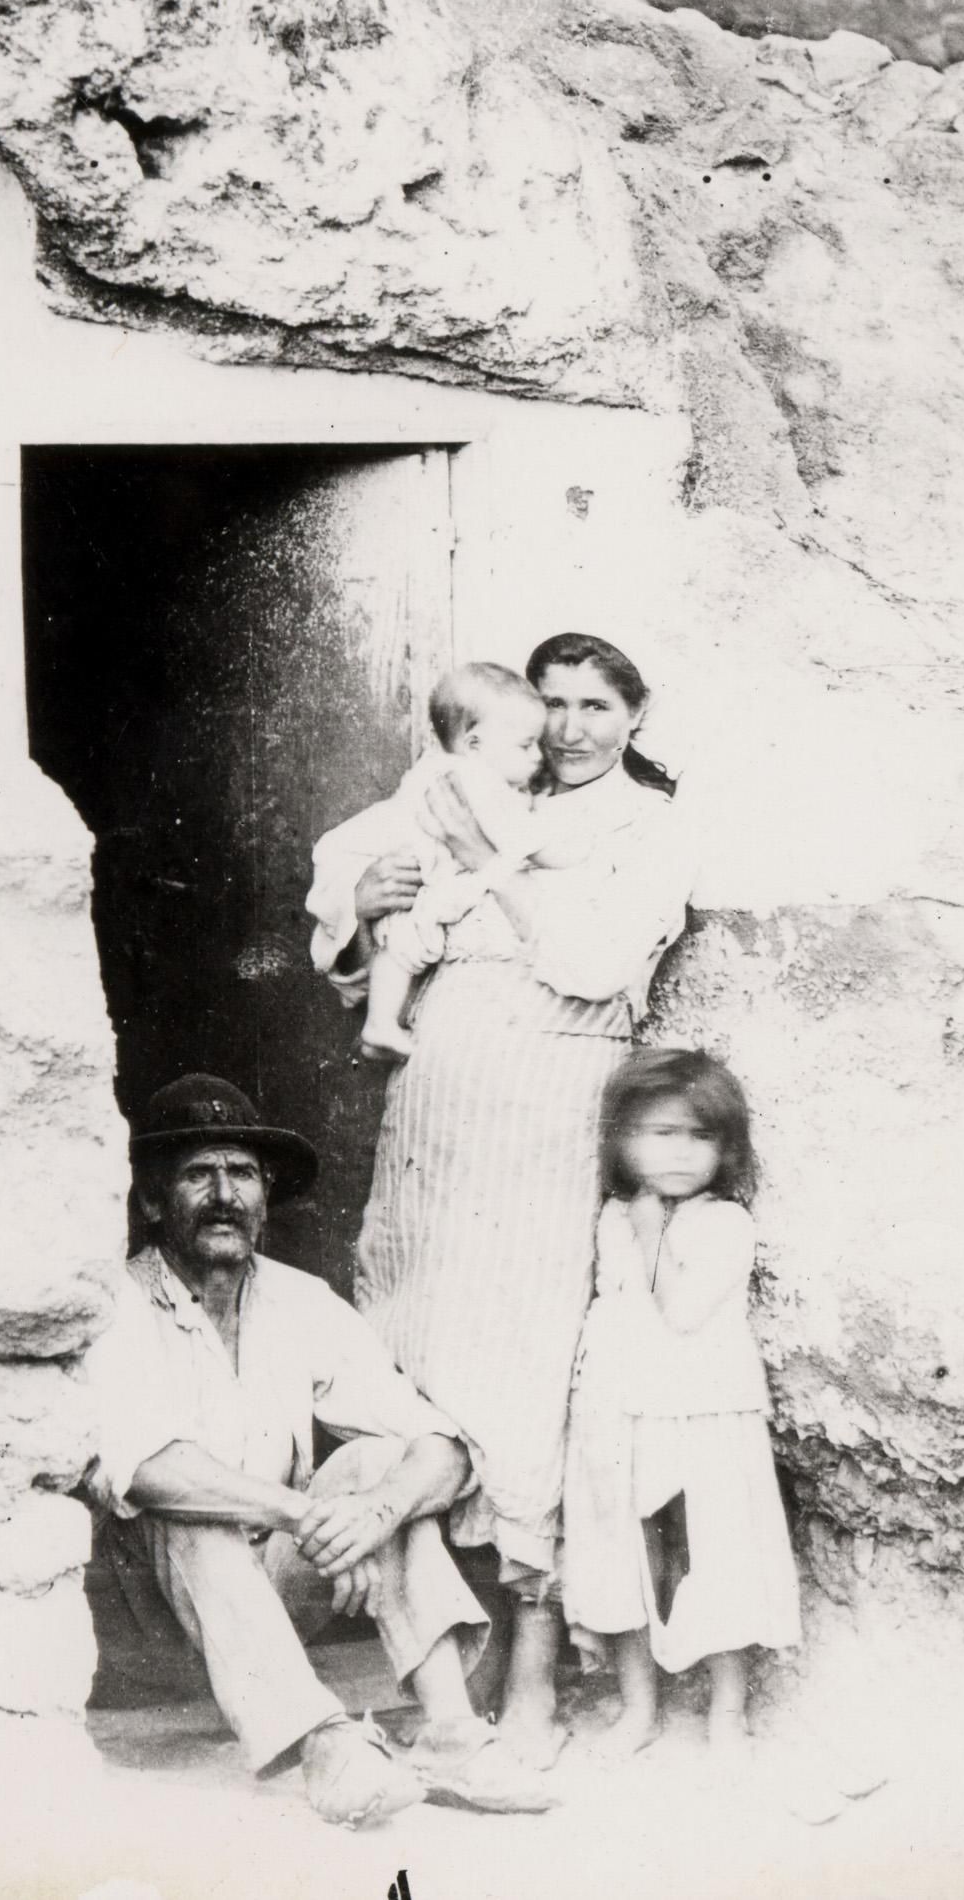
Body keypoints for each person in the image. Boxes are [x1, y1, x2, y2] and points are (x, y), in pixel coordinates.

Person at [306, 630, 695, 1769]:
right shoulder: (475, 785)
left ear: (635, 712)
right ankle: (443, 1652)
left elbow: (591, 961)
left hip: (550, 1093)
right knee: (415, 1352)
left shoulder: (650, 828)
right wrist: (360, 911)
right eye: (553, 705)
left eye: (594, 706)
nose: (570, 729)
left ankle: (532, 1664)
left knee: (524, 1368)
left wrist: (500, 858)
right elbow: (364, 910)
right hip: (440, 1092)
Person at [80, 1073, 557, 1827]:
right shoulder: (117, 1303)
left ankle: (450, 1735)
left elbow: (441, 1445)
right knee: (188, 1502)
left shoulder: (298, 1300)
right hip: (147, 1629)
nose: (224, 1195)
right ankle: (326, 1743)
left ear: (265, 1200)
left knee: (378, 1464)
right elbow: (143, 1468)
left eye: (241, 1174)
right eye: (198, 1174)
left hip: (267, 1606)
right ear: (149, 1201)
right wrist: (306, 1514)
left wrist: (374, 1512)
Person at [562, 1049, 801, 1755]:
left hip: (702, 1417)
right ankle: (638, 1706)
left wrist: (648, 1232)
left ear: (726, 1150)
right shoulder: (611, 1214)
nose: (679, 1153)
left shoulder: (724, 1224)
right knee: (624, 1558)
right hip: (618, 1415)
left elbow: (680, 1310)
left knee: (715, 1555)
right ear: (621, 1139)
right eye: (659, 1134)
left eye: (699, 1136)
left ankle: (728, 1709)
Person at [334, 663, 552, 1063]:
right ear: (473, 744)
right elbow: (517, 836)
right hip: (426, 889)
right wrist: (556, 849)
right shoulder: (474, 777)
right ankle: (380, 1026)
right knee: (407, 950)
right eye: (527, 746)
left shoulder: (438, 768)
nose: (539, 755)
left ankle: (380, 1026)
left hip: (424, 892)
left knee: (400, 953)